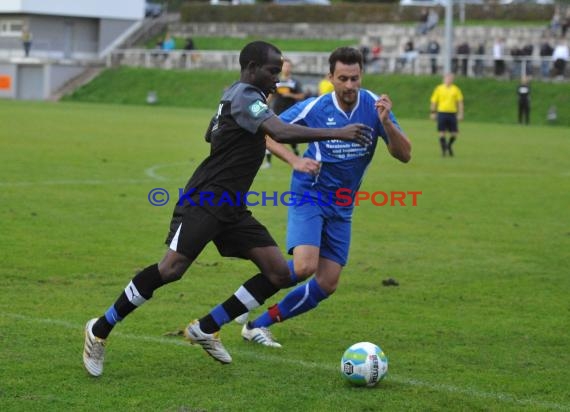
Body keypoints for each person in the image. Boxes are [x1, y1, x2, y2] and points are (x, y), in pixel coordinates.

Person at [82, 41, 373, 376]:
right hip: (206, 199)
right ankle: (99, 330)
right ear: (251, 66)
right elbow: (277, 131)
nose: (277, 79)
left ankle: (207, 327)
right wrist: (338, 132)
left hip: (232, 207)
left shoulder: (239, 96)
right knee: (171, 269)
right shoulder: (245, 96)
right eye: (272, 71)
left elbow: (210, 133)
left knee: (278, 272)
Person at [236, 46, 411, 348]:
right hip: (310, 193)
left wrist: (386, 124)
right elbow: (268, 134)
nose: (349, 85)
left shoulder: (374, 106)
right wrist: (294, 160)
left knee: (327, 283)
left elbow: (404, 154)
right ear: (330, 77)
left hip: (343, 204)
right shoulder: (316, 107)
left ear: (361, 76)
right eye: (342, 78)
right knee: (304, 265)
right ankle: (247, 297)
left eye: (355, 78)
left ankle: (257, 325)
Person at [263, 58, 306, 168]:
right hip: (276, 112)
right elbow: (271, 95)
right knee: (270, 136)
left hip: (291, 113)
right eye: (284, 66)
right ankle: (268, 163)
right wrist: (264, 104)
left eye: (288, 66)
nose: (286, 68)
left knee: (291, 137)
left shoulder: (295, 82)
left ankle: (296, 155)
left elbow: (301, 96)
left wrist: (290, 95)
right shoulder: (276, 81)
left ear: (291, 68)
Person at [429, 73, 464, 157]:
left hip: (452, 113)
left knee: (454, 133)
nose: (449, 80)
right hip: (442, 112)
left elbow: (460, 102)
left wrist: (461, 113)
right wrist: (433, 112)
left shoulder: (456, 89)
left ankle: (449, 145)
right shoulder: (439, 89)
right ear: (444, 79)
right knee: (442, 132)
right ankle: (443, 150)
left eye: (450, 78)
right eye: (447, 78)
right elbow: (434, 101)